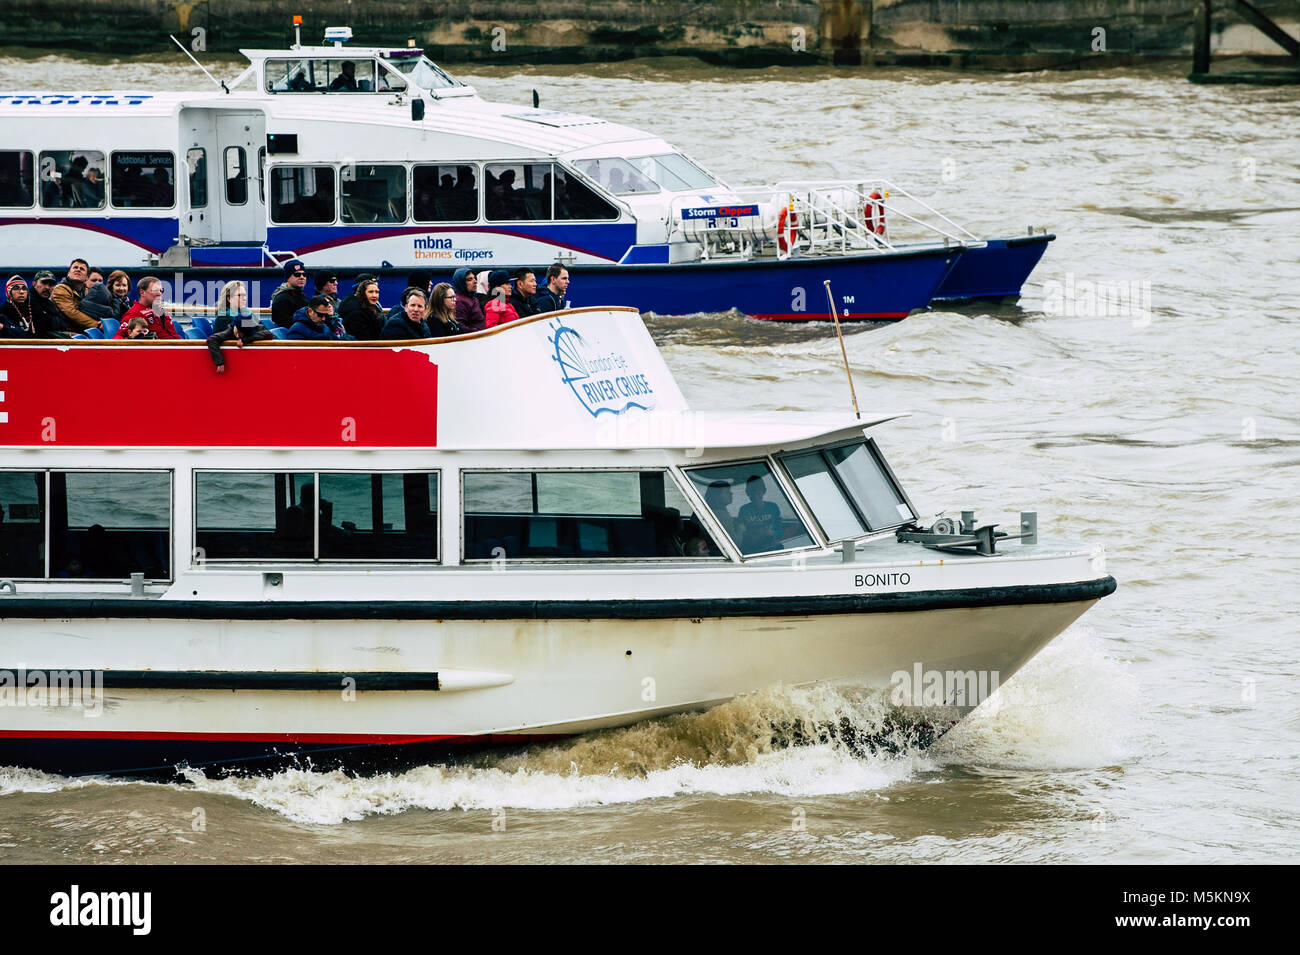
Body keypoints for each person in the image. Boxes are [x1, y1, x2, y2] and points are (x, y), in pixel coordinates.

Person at [207, 310, 275, 372]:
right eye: (237, 333)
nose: (237, 336)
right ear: (235, 327)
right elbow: (212, 339)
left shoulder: (254, 327)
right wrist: (220, 362)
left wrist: (245, 339)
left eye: (241, 335)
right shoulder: (230, 331)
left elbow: (269, 334)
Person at [116, 276, 180, 339]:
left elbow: (174, 336)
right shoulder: (134, 314)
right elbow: (118, 338)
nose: (159, 294)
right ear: (142, 292)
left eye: (161, 290)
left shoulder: (162, 312)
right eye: (155, 290)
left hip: (177, 347)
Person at [49, 258, 101, 332]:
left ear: (86, 278)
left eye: (82, 269)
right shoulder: (60, 289)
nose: (78, 270)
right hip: (64, 332)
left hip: (81, 330)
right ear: (68, 273)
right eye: (75, 267)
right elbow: (72, 313)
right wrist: (97, 325)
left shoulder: (87, 291)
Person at [737, 474, 783, 553]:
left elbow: (780, 529)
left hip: (770, 546)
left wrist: (772, 533)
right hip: (751, 548)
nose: (755, 495)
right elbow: (741, 532)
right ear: (747, 493)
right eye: (752, 492)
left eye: (758, 491)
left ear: (764, 491)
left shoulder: (772, 507)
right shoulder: (744, 510)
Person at [270, 259, 310, 329]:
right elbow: (284, 324)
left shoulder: (302, 296)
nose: (302, 277)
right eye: (297, 274)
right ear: (288, 278)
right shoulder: (282, 299)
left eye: (304, 274)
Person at [28, 270, 68, 336]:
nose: (47, 287)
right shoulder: (27, 300)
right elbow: (41, 324)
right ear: (34, 284)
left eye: (51, 284)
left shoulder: (49, 303)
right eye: (44, 283)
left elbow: (63, 324)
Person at [451, 268, 485, 332]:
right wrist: (477, 332)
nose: (475, 281)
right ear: (461, 282)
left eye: (474, 278)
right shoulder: (459, 301)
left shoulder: (473, 298)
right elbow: (460, 326)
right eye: (469, 279)